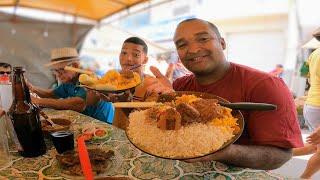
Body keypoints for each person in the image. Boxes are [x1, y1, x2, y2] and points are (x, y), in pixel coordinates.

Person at [145, 18, 303, 170]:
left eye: (203, 39)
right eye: (182, 44)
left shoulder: (265, 85)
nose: (193, 49)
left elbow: (281, 155)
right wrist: (167, 100)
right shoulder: (180, 86)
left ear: (222, 43)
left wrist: (226, 152)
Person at [28, 47, 114, 124]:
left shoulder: (87, 78)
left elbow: (77, 104)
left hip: (102, 122)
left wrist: (38, 101)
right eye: (55, 71)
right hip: (87, 121)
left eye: (61, 70)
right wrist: (33, 88)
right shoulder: (69, 81)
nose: (58, 75)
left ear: (75, 66)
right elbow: (52, 93)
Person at [293, 39, 320, 179]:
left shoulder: (314, 53)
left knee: (315, 146)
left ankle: (275, 155)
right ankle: (304, 178)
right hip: (318, 106)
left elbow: (311, 80)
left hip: (313, 105)